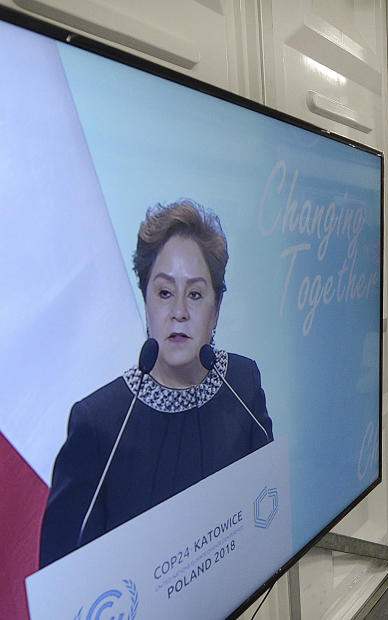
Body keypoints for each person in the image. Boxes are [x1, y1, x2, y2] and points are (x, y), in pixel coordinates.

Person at [40, 200, 274, 568]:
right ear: (146, 303)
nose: (179, 311)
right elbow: (61, 572)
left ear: (216, 311)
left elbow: (266, 502)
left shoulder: (241, 384)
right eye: (164, 292)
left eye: (195, 294)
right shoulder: (99, 423)